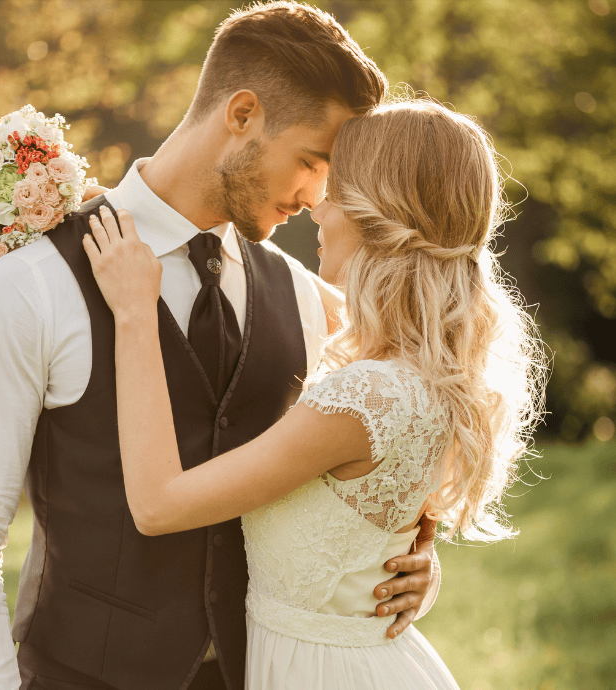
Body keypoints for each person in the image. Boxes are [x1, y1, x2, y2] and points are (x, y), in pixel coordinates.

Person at [0, 4, 440, 690]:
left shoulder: (303, 296)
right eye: (311, 161)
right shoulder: (32, 285)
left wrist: (410, 569)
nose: (317, 196)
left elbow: (358, 466)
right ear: (243, 115)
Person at [82, 97, 546, 690]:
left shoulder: (364, 396)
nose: (315, 207)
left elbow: (158, 504)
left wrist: (134, 312)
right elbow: (246, 258)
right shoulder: (420, 365)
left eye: (336, 189)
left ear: (377, 216)